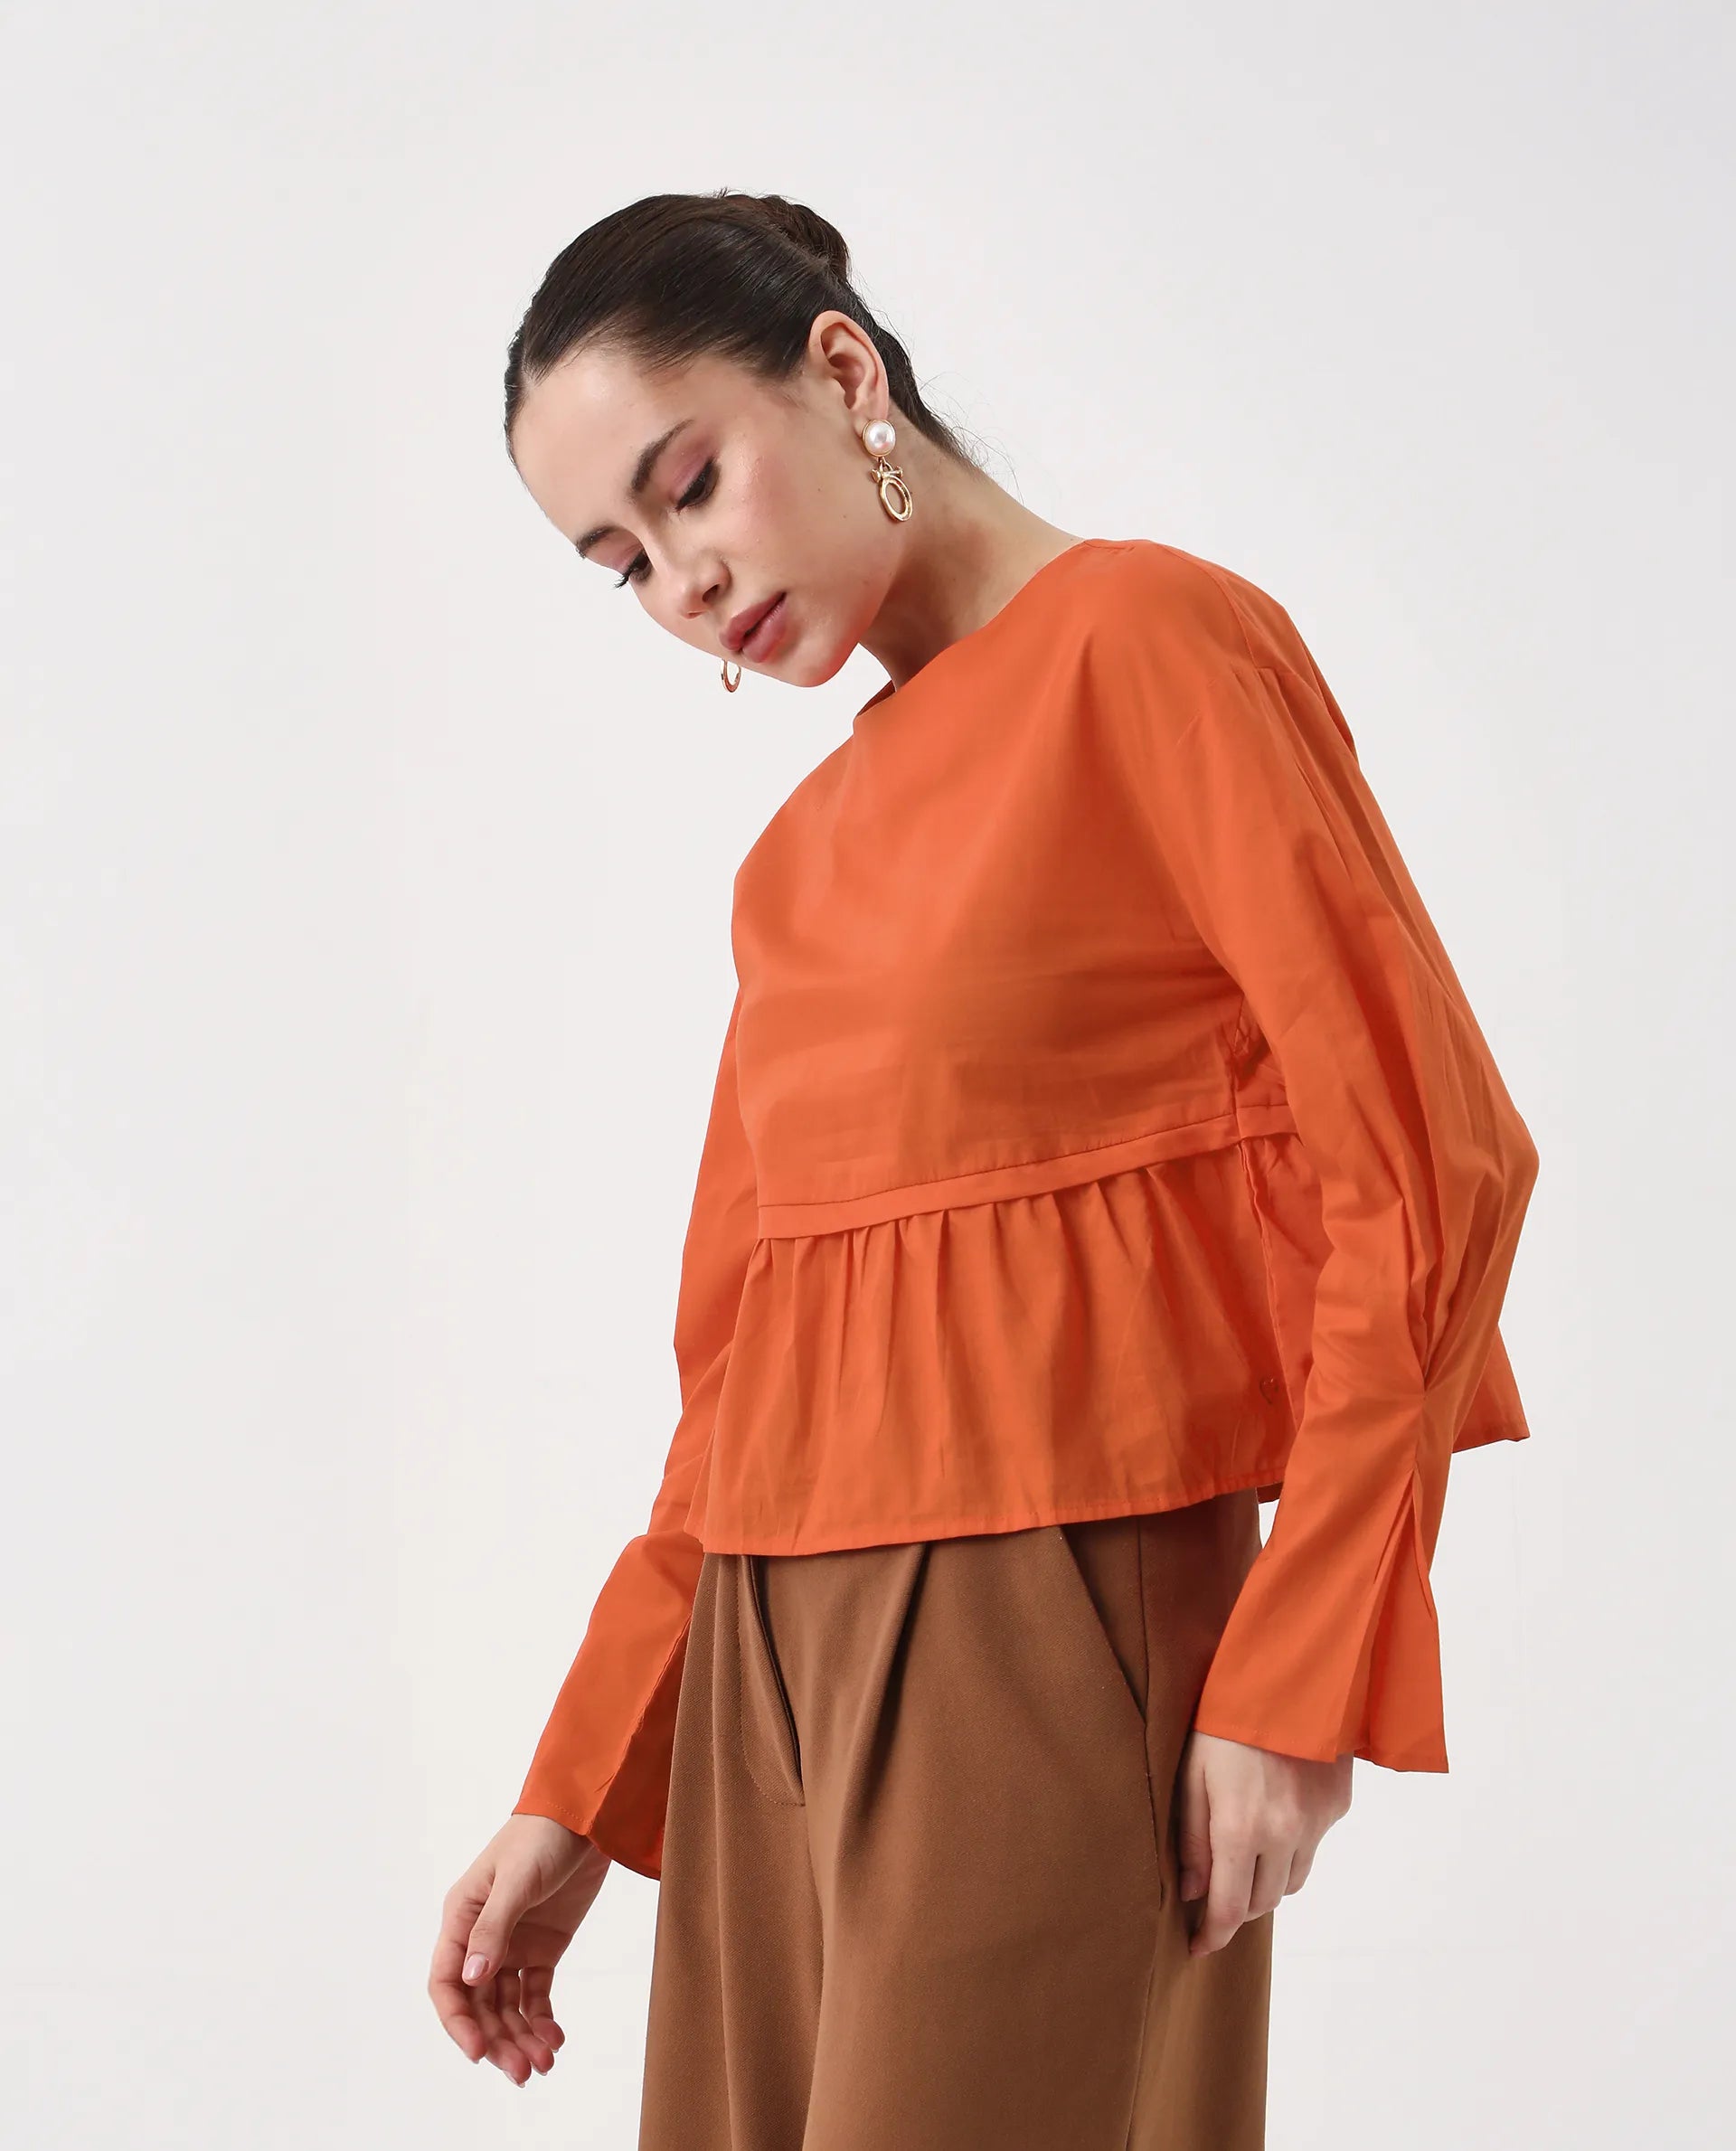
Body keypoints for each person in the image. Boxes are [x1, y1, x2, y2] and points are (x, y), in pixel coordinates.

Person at [427, 189, 1541, 2149]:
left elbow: (1431, 1160)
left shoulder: (1152, 640)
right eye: (624, 563)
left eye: (689, 485)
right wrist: (580, 1789)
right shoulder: (791, 865)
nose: (685, 578)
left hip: (1044, 1641)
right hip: (761, 1676)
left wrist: (1300, 1666)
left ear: (839, 366)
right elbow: (741, 1381)